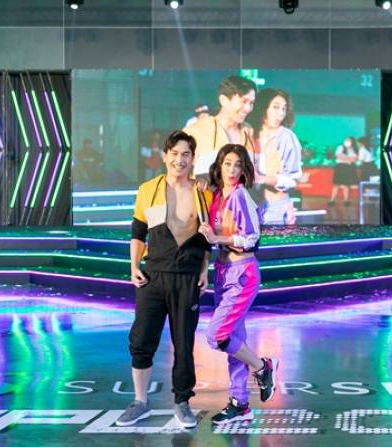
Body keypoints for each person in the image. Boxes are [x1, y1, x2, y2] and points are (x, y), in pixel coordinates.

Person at [116, 130, 213, 429]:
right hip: (153, 277)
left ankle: (182, 402)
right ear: (165, 156)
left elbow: (206, 238)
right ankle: (140, 402)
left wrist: (204, 270)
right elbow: (137, 232)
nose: (179, 160)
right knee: (141, 340)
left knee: (184, 344)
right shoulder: (149, 189)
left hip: (186, 278)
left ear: (193, 158)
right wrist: (134, 265)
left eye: (185, 154)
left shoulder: (203, 192)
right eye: (174, 154)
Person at [198, 144, 279, 425]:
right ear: (219, 166)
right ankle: (240, 403)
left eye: (238, 165)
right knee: (235, 342)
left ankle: (263, 367)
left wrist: (218, 239)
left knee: (217, 336)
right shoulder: (218, 195)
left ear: (244, 170)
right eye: (227, 164)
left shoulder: (240, 196)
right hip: (223, 273)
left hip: (242, 274)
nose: (232, 170)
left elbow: (252, 237)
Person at [248, 88, 302, 225]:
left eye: (284, 109)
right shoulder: (248, 133)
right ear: (263, 108)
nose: (281, 113)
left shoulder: (287, 137)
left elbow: (292, 179)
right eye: (276, 107)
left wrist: (263, 179)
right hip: (248, 205)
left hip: (275, 207)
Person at [184, 75, 257, 176]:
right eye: (243, 101)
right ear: (223, 100)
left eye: (251, 103)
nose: (248, 108)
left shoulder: (248, 131)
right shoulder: (197, 130)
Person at [329, 136, 358, 205]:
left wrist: (345, 158)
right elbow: (338, 156)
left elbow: (354, 159)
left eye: (349, 140)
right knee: (336, 184)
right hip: (340, 167)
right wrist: (349, 159)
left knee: (346, 184)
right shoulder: (340, 147)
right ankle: (332, 200)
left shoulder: (354, 149)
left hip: (348, 168)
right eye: (346, 140)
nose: (347, 141)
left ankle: (346, 201)